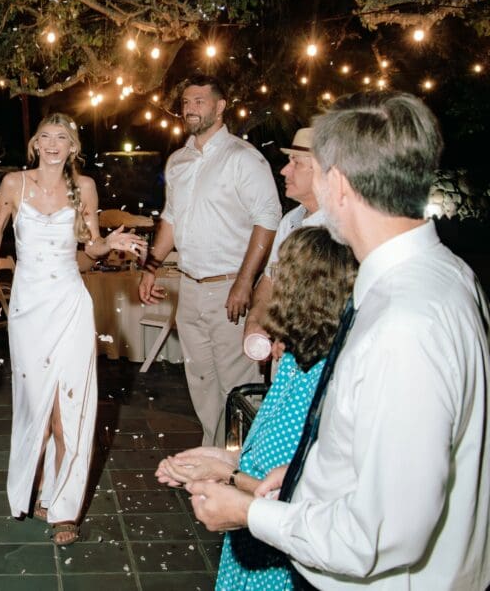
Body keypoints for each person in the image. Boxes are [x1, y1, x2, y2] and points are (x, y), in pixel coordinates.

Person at [186, 92, 490, 589]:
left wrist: (248, 514)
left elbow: (382, 532)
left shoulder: (403, 324)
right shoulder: (446, 275)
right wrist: (304, 471)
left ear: (340, 185)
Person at [0, 113, 146, 546]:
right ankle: (41, 487)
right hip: (29, 308)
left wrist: (112, 243)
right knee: (37, 404)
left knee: (72, 403)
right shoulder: (15, 183)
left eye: (62, 138)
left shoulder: (84, 187)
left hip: (70, 303)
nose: (53, 144)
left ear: (73, 146)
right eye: (46, 137)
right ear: (35, 143)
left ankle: (63, 507)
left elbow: (91, 245)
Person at [157, 226, 356, 590]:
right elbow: (262, 454)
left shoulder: (328, 383)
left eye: (283, 276)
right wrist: (219, 458)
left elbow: (296, 499)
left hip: (279, 555)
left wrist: (225, 475)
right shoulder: (296, 363)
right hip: (252, 539)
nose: (273, 287)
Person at [138, 74, 281, 446]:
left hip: (228, 288)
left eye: (200, 101)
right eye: (186, 102)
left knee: (237, 384)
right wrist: (151, 267)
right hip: (189, 287)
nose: (190, 109)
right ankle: (216, 457)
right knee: (200, 382)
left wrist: (245, 282)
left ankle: (244, 466)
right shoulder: (178, 161)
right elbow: (170, 220)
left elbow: (268, 219)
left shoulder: (242, 158)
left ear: (220, 107)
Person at [242, 128, 326, 366]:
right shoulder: (290, 221)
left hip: (316, 362)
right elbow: (270, 279)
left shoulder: (338, 231)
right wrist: (255, 320)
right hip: (285, 354)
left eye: (296, 163)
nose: (284, 170)